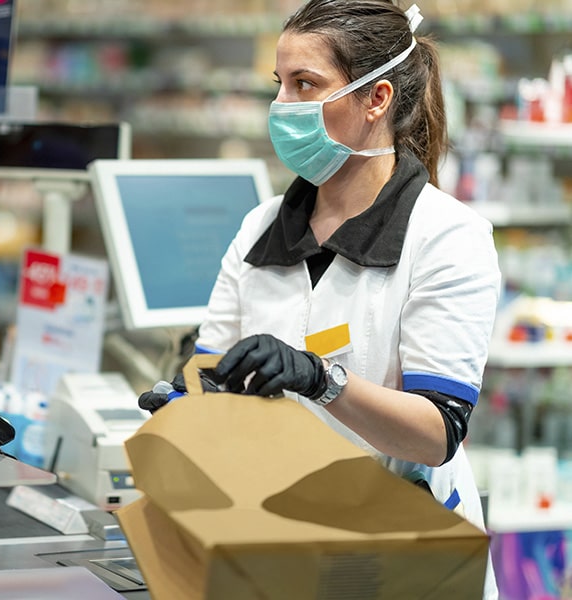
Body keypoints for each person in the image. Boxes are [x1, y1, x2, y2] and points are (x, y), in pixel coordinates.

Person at [137, 1, 500, 598]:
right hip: (275, 543)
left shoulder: (447, 236)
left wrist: (321, 380)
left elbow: (437, 432)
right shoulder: (259, 228)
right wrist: (183, 404)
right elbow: (209, 374)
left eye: (306, 84)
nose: (283, 106)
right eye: (280, 84)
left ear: (376, 99)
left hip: (402, 556)